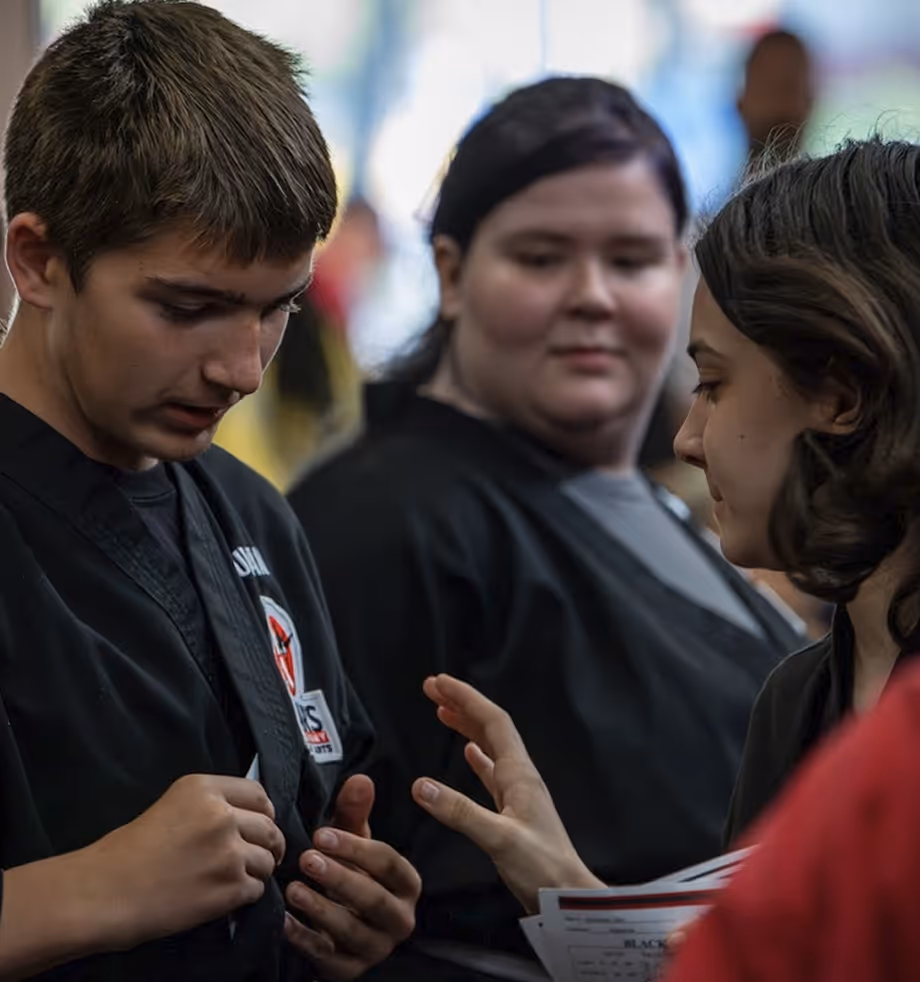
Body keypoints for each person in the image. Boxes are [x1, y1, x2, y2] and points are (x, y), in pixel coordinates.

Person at [287, 77, 803, 981]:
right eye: (541, 257)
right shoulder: (380, 519)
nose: (592, 296)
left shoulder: (658, 498)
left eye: (634, 259)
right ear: (450, 274)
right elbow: (337, 905)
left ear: (680, 274)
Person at [407, 136, 920, 973]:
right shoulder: (796, 705)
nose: (688, 437)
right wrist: (570, 895)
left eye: (714, 383)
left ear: (841, 391)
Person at [0, 3, 420, 979]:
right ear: (39, 259)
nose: (243, 368)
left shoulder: (252, 514)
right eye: (189, 308)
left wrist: (358, 906)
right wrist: (84, 891)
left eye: (278, 309)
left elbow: (329, 792)